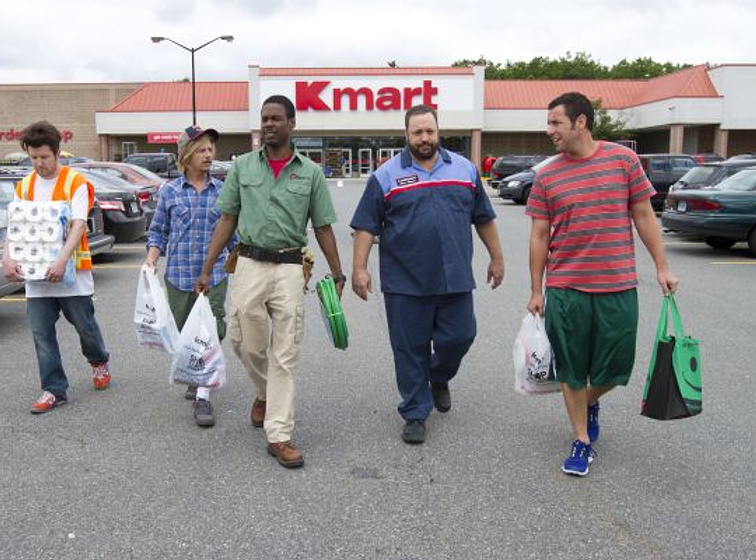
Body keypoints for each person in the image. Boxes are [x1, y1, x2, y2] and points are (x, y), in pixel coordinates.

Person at [526, 92, 679, 477]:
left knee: (615, 369)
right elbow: (539, 234)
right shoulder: (546, 174)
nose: (550, 131)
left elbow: (644, 214)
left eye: (556, 123)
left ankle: (588, 402)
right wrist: (536, 289)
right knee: (572, 370)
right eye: (548, 124)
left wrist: (662, 266)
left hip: (617, 284)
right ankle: (582, 440)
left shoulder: (623, 161)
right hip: (566, 287)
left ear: (580, 122)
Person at [196, 94, 345, 469]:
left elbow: (323, 226)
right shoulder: (243, 167)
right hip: (248, 263)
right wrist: (208, 266)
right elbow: (227, 219)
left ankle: (279, 434)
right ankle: (263, 392)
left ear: (292, 124)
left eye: (276, 118)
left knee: (286, 351)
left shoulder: (310, 173)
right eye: (264, 119)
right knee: (244, 340)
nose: (268, 124)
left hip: (291, 268)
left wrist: (338, 272)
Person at [350, 104, 504, 445]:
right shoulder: (386, 175)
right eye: (417, 132)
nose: (424, 137)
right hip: (404, 281)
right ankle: (416, 412)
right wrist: (359, 268)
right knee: (408, 349)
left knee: (461, 336)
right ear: (406, 134)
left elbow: (483, 217)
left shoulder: (464, 170)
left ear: (439, 132)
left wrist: (497, 257)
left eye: (429, 131)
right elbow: (365, 225)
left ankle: (438, 375)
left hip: (455, 277)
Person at [2, 120, 111, 414]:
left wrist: (62, 260)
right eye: (33, 158)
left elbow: (77, 225)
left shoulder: (76, 183)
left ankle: (99, 360)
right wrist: (7, 256)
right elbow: (15, 225)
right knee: (42, 334)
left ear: (58, 153)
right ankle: (53, 389)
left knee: (85, 327)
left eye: (44, 157)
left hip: (72, 273)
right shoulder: (25, 185)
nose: (38, 164)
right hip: (36, 274)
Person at [144, 125, 231, 427]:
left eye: (210, 149)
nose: (208, 155)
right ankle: (195, 374)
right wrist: (151, 260)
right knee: (185, 335)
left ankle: (203, 395)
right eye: (201, 150)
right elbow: (158, 231)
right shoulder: (169, 192)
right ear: (186, 156)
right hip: (179, 277)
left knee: (212, 332)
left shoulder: (223, 191)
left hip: (216, 275)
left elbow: (233, 236)